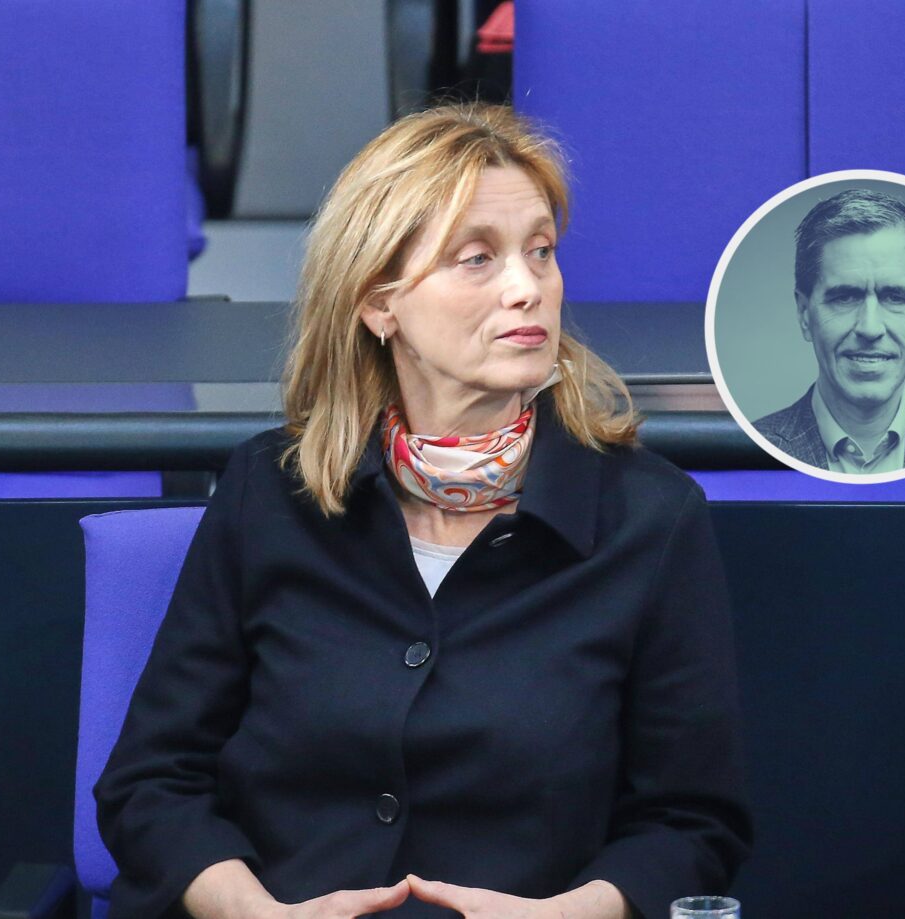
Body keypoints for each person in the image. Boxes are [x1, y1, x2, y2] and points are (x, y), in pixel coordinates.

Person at [95, 103, 751, 919]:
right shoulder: (269, 492)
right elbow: (152, 783)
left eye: (540, 252)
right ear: (379, 302)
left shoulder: (647, 519)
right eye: (477, 258)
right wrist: (255, 912)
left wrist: (566, 913)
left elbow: (691, 822)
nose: (528, 287)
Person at [753, 188, 905, 474]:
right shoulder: (749, 448)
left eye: (894, 297)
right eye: (845, 297)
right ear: (805, 313)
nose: (870, 328)